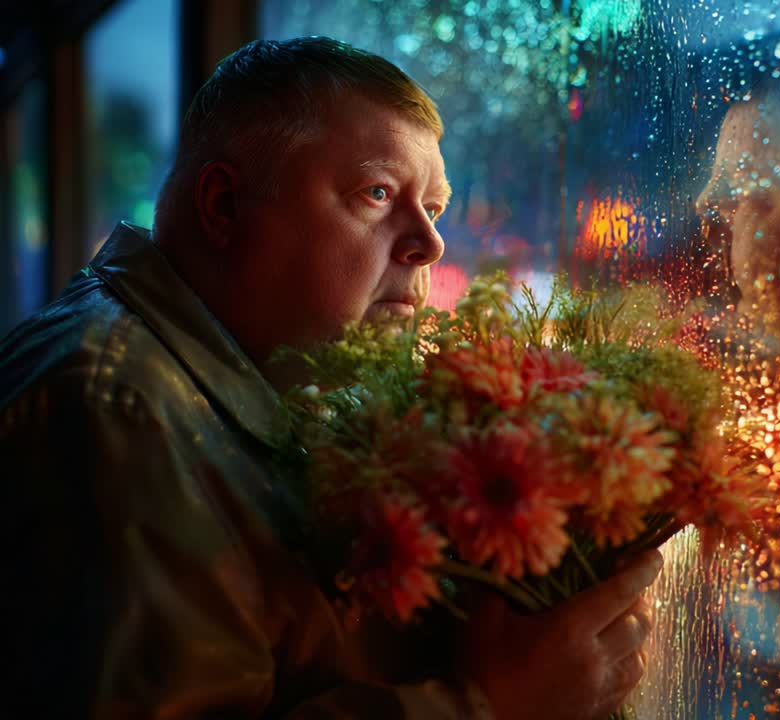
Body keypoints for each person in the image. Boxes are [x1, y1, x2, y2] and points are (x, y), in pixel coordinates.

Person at [0, 37, 658, 719]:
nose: (431, 243)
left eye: (433, 207)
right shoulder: (116, 413)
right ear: (224, 206)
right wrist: (487, 704)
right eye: (376, 193)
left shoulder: (234, 390)